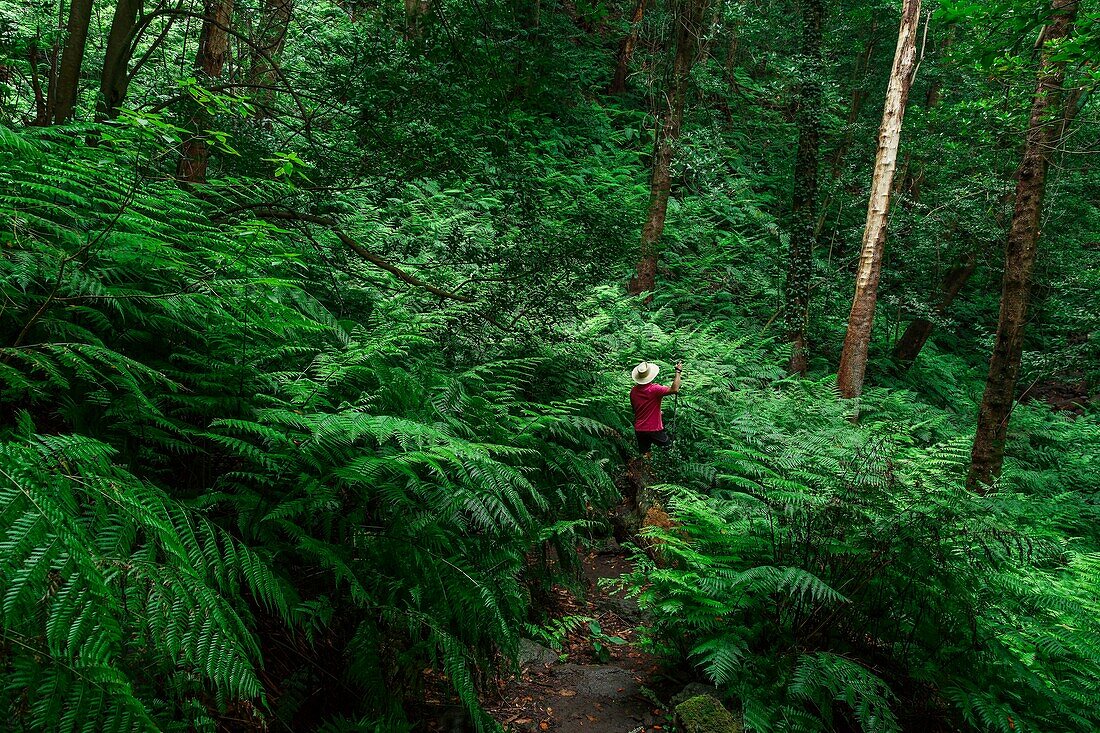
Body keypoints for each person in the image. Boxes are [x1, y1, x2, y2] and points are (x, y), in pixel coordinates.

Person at [629, 360, 682, 455]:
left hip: (640, 429)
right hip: (653, 429)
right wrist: (678, 372)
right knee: (669, 450)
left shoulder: (633, 391)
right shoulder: (654, 389)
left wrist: (656, 412)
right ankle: (670, 468)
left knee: (645, 455)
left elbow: (636, 410)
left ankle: (644, 469)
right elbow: (674, 389)